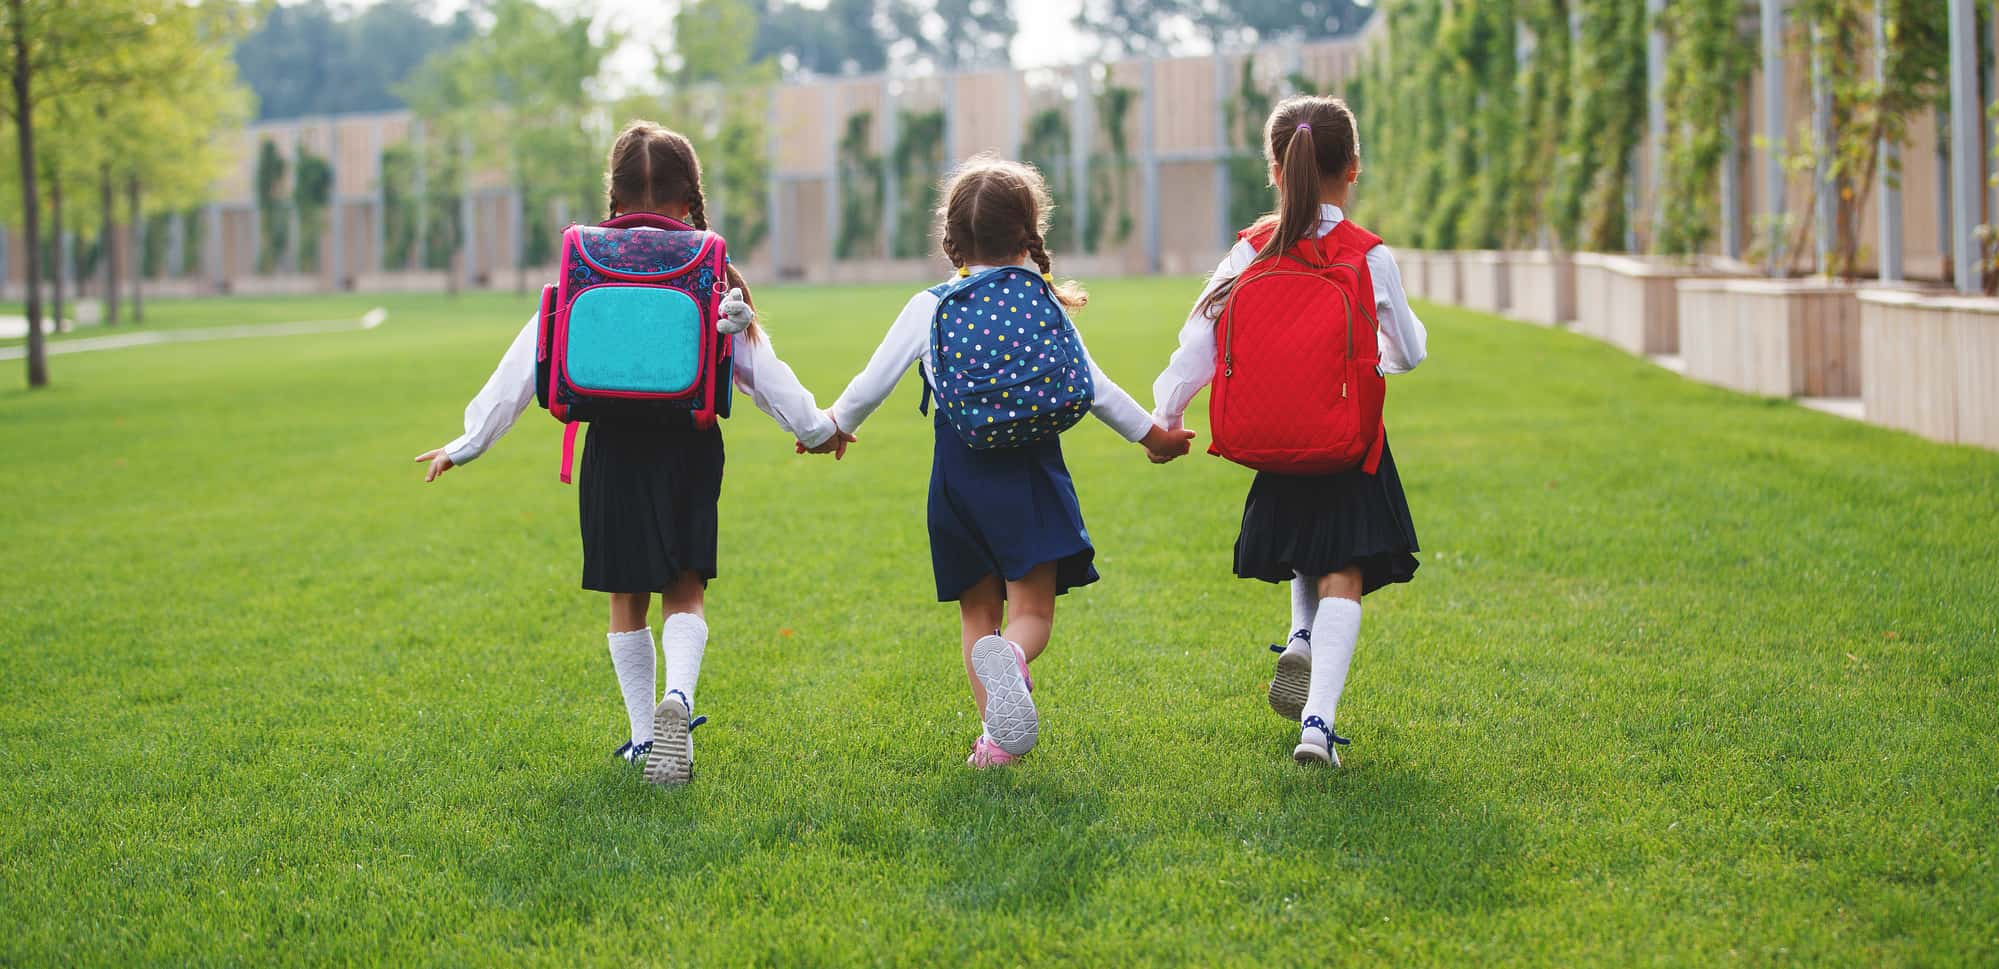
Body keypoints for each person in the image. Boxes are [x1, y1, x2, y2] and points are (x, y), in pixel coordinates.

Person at [413, 121, 854, 785]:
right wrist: (819, 430)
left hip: (610, 447)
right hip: (688, 447)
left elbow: (524, 364)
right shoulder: (708, 269)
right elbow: (762, 369)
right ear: (689, 199)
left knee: (626, 597)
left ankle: (646, 738)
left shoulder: (585, 264)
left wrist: (468, 442)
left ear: (613, 197)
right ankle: (679, 698)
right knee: (684, 589)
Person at [822, 155, 1193, 768]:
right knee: (1031, 614)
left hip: (957, 479)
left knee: (978, 617)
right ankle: (1012, 668)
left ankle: (996, 746)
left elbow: (869, 384)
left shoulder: (930, 305)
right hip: (1031, 475)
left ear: (952, 235)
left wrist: (831, 428)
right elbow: (1093, 386)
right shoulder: (1040, 298)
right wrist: (1152, 436)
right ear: (1029, 231)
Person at [1150, 96, 1428, 767]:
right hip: (1347, 440)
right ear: (1352, 168)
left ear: (1274, 169)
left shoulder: (1250, 248)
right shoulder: (1367, 255)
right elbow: (1408, 350)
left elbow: (1199, 342)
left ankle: (1299, 635)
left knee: (1310, 548)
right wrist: (1370, 360)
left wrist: (1167, 413)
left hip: (1277, 436)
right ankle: (1318, 725)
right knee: (1343, 569)